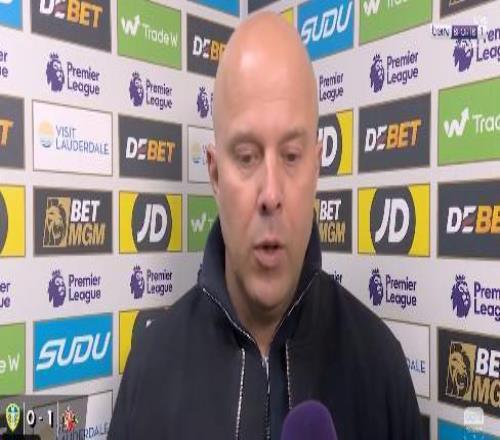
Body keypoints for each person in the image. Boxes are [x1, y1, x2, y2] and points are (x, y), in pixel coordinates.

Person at [109, 12, 423, 440]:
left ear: (316, 166)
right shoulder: (150, 369)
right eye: (247, 156)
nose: (271, 194)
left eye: (291, 156)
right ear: (215, 175)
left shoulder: (380, 365)